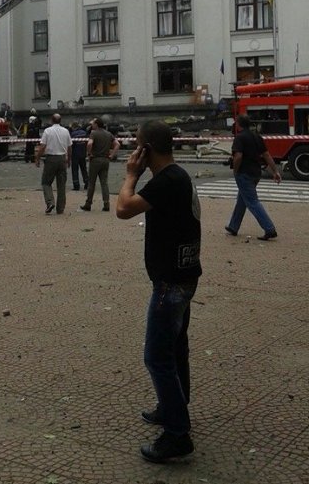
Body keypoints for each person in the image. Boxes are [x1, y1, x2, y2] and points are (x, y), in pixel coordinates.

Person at [116, 120, 201, 463]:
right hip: (183, 275)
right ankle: (173, 408)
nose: (134, 150)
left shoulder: (165, 181)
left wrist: (130, 175)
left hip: (171, 283)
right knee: (176, 348)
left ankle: (177, 434)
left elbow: (123, 209)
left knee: (156, 356)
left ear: (146, 149)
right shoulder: (177, 176)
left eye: (137, 144)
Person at [225, 114, 280, 240]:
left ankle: (269, 228)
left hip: (244, 173)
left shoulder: (239, 138)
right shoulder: (257, 137)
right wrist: (275, 171)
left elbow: (238, 156)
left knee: (252, 202)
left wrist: (235, 170)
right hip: (256, 172)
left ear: (238, 125)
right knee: (243, 199)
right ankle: (233, 226)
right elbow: (266, 155)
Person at [78, 118, 119, 212]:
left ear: (96, 124)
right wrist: (112, 155)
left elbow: (89, 144)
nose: (92, 125)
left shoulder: (94, 133)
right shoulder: (108, 134)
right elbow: (117, 144)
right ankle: (106, 204)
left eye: (93, 123)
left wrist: (89, 153)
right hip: (105, 159)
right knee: (104, 182)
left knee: (91, 182)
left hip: (95, 159)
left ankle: (88, 203)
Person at [35, 113, 72, 215]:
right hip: (62, 159)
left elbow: (42, 147)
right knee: (61, 185)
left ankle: (50, 202)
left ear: (51, 120)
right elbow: (69, 147)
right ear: (60, 120)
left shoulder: (47, 131)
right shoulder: (66, 131)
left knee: (46, 182)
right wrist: (69, 160)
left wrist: (37, 158)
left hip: (51, 158)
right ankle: (61, 208)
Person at [69, 122, 89, 191]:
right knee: (84, 169)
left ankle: (76, 185)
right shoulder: (84, 132)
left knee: (75, 170)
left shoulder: (72, 134)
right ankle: (87, 183)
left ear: (73, 127)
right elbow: (87, 142)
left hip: (75, 154)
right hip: (83, 153)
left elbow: (71, 145)